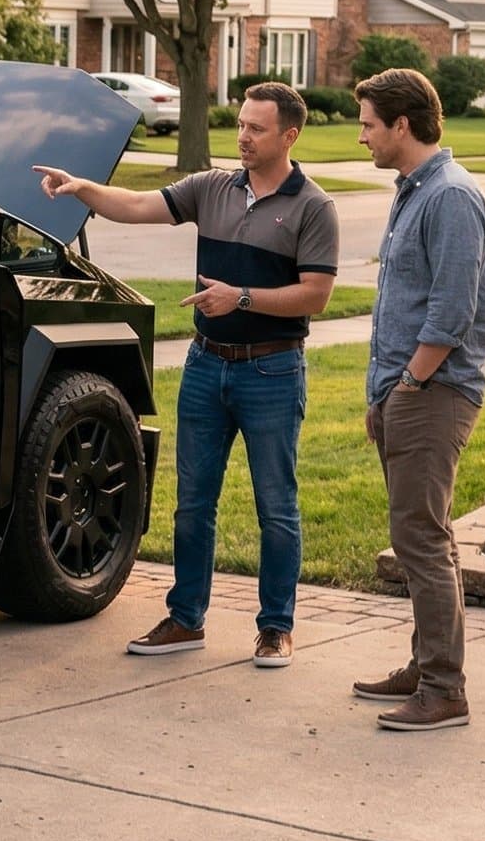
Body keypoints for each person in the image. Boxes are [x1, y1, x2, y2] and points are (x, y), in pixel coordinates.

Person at [35, 81, 339, 669]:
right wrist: (83, 190)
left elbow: (317, 295)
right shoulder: (212, 188)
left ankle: (276, 627)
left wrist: (241, 298)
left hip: (272, 371)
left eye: (256, 128)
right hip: (206, 368)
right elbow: (139, 205)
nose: (243, 136)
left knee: (276, 506)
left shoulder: (313, 207)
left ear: (289, 136)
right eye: (242, 125)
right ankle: (185, 618)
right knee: (191, 504)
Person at [349, 67, 485, 732]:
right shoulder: (413, 192)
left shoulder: (452, 198)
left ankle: (443, 689)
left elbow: (452, 310)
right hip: (405, 391)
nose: (363, 138)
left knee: (422, 538)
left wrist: (408, 384)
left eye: (370, 125)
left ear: (402, 125)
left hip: (433, 393)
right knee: (419, 537)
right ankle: (425, 664)